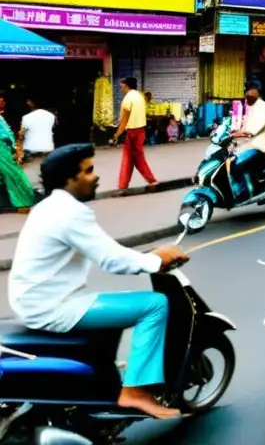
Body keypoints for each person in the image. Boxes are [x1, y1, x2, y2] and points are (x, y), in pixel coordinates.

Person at [8, 144, 188, 418]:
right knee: (154, 304)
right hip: (53, 307)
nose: (96, 177)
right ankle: (136, 392)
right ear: (70, 179)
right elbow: (111, 260)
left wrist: (147, 256)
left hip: (34, 302)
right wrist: (156, 261)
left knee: (116, 301)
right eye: (89, 171)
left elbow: (107, 249)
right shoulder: (70, 213)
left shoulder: (49, 207)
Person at [111, 77, 157, 193]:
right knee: (128, 158)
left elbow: (125, 120)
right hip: (141, 130)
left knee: (137, 158)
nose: (121, 89)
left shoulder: (128, 99)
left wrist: (117, 134)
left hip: (132, 132)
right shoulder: (139, 96)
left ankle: (152, 180)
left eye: (122, 86)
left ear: (126, 86)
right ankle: (123, 185)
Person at [230, 84, 265, 200]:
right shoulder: (250, 108)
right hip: (251, 146)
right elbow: (244, 124)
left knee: (241, 165)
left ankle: (251, 190)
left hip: (263, 148)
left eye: (249, 93)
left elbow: (255, 128)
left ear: (256, 93)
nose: (247, 96)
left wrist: (241, 133)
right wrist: (233, 131)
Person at [0, 93, 35, 209]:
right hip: (3, 150)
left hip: (5, 149)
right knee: (13, 175)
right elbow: (6, 136)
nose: (3, 103)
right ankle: (23, 202)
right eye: (1, 101)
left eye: (3, 101)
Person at [18, 97, 55, 168]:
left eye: (28, 101)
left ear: (32, 103)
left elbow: (21, 134)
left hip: (31, 152)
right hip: (48, 149)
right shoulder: (51, 116)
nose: (26, 103)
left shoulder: (26, 117)